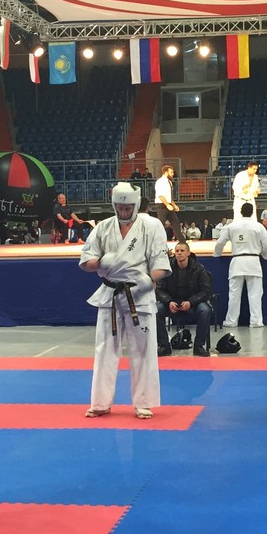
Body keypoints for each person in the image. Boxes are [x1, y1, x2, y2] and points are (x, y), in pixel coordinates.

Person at [80, 182, 169, 420]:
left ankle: (143, 402)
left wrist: (148, 281)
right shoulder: (103, 227)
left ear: (136, 205)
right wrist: (102, 262)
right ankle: (100, 403)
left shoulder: (152, 226)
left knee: (143, 349)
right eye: (120, 207)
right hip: (110, 294)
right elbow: (86, 262)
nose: (123, 211)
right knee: (104, 349)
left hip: (139, 293)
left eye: (128, 207)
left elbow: (161, 264)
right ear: (114, 205)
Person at [213, 202, 267, 328]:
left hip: (237, 261)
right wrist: (264, 255)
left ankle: (231, 321)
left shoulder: (231, 226)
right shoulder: (258, 226)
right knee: (255, 295)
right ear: (252, 212)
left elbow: (220, 243)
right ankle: (256, 322)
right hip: (253, 261)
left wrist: (217, 254)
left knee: (234, 295)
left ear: (240, 212)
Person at [155, 241, 214, 357]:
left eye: (182, 251)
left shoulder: (199, 268)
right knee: (156, 310)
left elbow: (206, 290)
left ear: (188, 253)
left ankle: (199, 346)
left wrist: (191, 302)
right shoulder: (167, 269)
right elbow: (159, 290)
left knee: (205, 310)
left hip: (193, 303)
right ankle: (164, 346)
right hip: (172, 303)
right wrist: (168, 302)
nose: (179, 253)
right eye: (177, 251)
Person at [153, 165, 182, 242]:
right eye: (171, 172)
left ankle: (182, 241)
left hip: (169, 204)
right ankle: (158, 242)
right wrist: (167, 205)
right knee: (161, 224)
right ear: (166, 172)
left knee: (175, 223)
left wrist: (174, 205)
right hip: (162, 205)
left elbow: (169, 196)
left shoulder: (169, 182)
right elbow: (160, 195)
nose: (173, 174)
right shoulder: (160, 181)